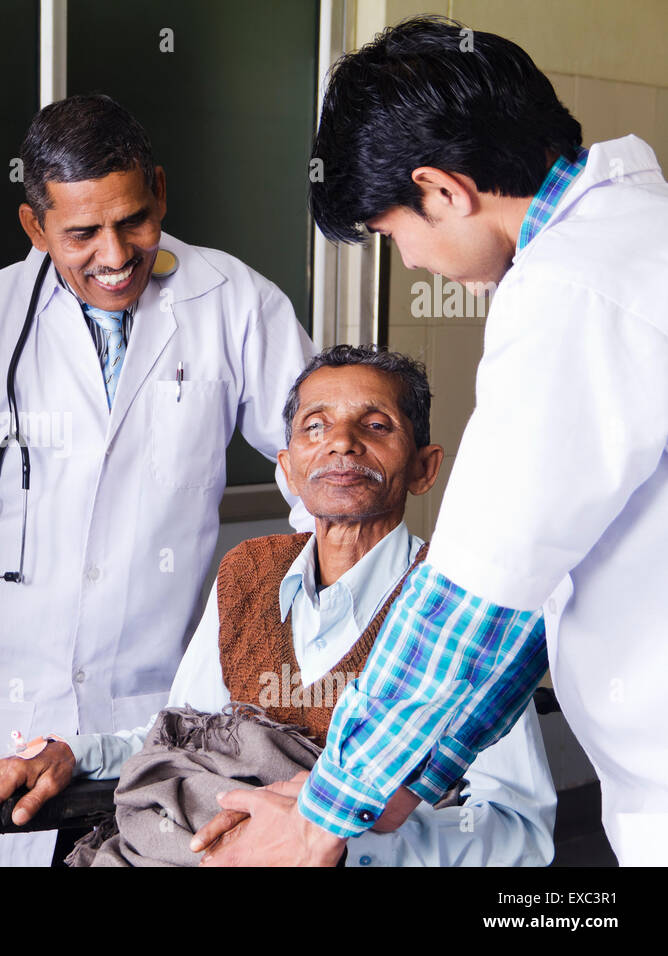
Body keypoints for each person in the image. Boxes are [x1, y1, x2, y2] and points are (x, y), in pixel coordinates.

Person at [225, 16, 668, 866]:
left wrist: (329, 807)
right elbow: (524, 599)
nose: (415, 265)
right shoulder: (625, 243)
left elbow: (473, 599)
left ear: (443, 190)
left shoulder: (573, 291)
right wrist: (393, 784)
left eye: (394, 235)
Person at [0, 93, 316, 866]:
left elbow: (320, 470)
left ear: (160, 190)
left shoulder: (233, 305)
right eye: (81, 232)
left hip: (142, 717)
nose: (115, 254)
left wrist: (304, 627)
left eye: (133, 220)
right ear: (34, 227)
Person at [0, 346, 556, 866]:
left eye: (376, 425)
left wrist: (341, 841)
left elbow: (519, 833)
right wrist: (76, 753)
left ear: (424, 468)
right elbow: (185, 738)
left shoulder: (464, 601)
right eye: (314, 426)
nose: (340, 442)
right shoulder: (249, 572)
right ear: (289, 469)